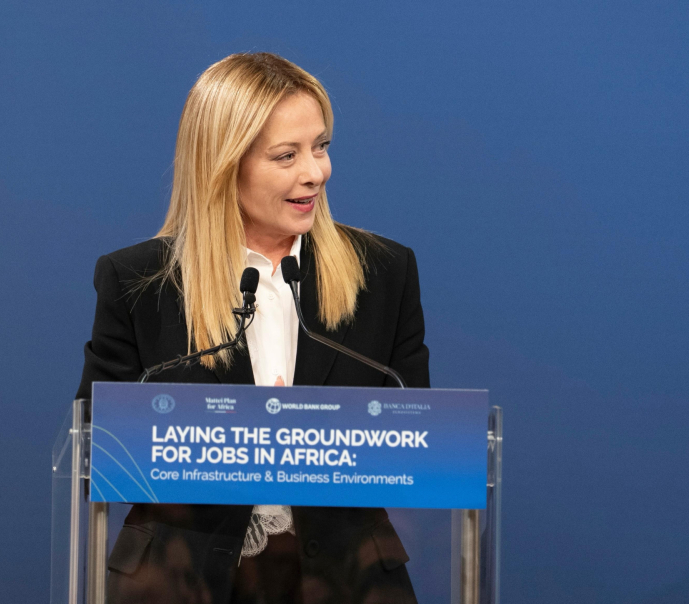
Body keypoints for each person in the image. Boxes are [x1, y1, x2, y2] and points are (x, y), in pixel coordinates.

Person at [77, 52, 429, 604]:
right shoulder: (138, 282)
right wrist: (244, 440)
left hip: (346, 581)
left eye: (320, 146)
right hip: (180, 580)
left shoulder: (384, 272)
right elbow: (98, 457)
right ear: (223, 164)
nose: (315, 172)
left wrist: (304, 439)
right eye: (286, 155)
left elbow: (417, 446)